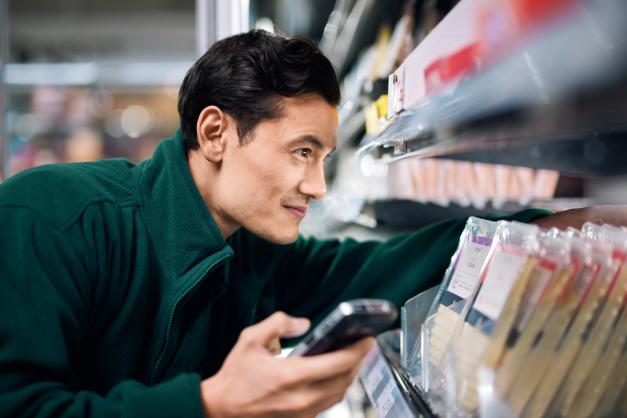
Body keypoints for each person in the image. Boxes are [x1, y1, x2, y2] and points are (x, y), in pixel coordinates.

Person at [0, 30, 624, 418]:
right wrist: (212, 404)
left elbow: (378, 266)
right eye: (301, 152)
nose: (318, 187)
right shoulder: (50, 219)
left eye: (325, 159)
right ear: (216, 133)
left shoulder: (248, 249)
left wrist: (558, 227)